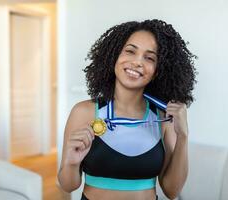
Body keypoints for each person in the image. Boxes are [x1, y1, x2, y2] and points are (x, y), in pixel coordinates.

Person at [57, 19, 197, 200]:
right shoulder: (83, 112)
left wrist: (183, 136)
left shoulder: (163, 119)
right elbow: (68, 185)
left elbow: (172, 191)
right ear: (114, 55)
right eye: (130, 51)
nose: (137, 62)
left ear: (158, 70)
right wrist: (71, 163)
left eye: (149, 58)